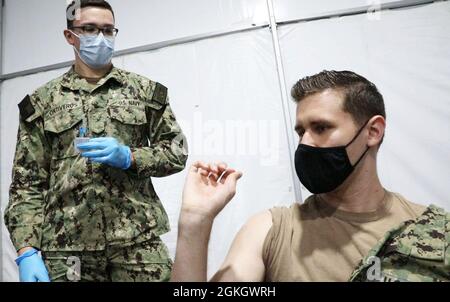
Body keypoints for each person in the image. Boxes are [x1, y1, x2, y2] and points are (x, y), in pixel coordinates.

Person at [171, 70, 449, 282]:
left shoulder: (434, 231)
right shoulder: (273, 231)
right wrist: (195, 223)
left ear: (373, 132)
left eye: (321, 128)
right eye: (301, 131)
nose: (305, 143)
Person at [4, 0, 187, 282]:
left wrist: (132, 157)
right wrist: (27, 251)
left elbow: (176, 151)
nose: (100, 38)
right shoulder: (42, 103)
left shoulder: (145, 92)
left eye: (107, 30)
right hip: (68, 249)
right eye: (89, 29)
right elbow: (27, 185)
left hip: (136, 242)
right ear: (70, 36)